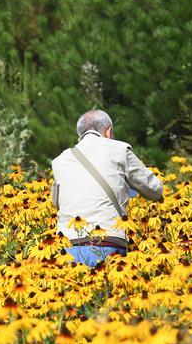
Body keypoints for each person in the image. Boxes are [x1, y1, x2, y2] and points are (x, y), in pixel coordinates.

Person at [51, 110, 164, 267]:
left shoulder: (60, 160)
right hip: (107, 243)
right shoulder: (120, 150)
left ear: (80, 136)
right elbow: (154, 189)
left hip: (67, 247)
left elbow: (56, 203)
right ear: (109, 132)